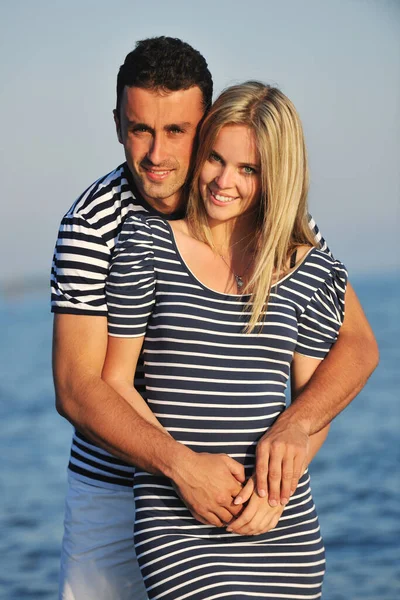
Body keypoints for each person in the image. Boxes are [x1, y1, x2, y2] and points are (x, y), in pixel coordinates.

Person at [51, 38, 378, 599]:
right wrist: (181, 468)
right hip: (115, 491)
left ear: (206, 124)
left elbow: (355, 343)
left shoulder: (267, 213)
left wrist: (291, 445)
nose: (157, 155)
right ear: (117, 123)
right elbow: (79, 388)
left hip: (247, 498)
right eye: (139, 129)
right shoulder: (94, 223)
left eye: (177, 131)